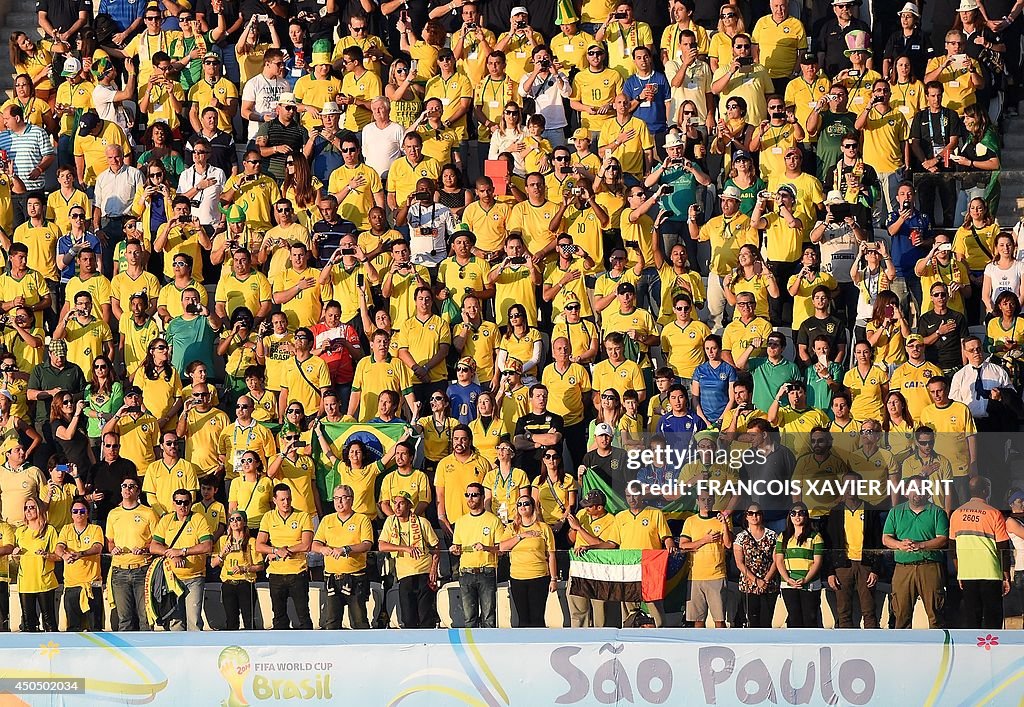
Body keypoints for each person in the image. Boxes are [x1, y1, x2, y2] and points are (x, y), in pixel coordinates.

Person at [883, 475, 950, 629]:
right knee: (901, 614)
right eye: (913, 488)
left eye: (921, 489)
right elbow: (886, 538)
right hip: (903, 567)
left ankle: (939, 650)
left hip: (930, 566)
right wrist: (899, 545)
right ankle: (902, 649)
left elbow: (943, 539)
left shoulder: (937, 512)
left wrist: (921, 545)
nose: (917, 492)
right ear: (906, 492)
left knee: (936, 614)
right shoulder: (896, 511)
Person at [949, 475, 1012, 629]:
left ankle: (974, 650)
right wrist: (1006, 574)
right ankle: (992, 650)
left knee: (972, 618)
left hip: (967, 573)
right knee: (993, 618)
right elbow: (1002, 547)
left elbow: (953, 549)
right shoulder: (994, 513)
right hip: (991, 572)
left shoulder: (956, 513)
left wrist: (959, 573)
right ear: (986, 491)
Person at [825, 471, 883, 629]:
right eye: (847, 485)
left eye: (855, 484)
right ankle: (846, 648)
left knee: (869, 611)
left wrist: (875, 569)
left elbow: (879, 543)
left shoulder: (871, 510)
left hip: (866, 566)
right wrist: (830, 572)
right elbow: (829, 545)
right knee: (843, 612)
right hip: (843, 566)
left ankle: (871, 648)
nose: (851, 488)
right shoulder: (835, 512)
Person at [312, 484, 374, 630]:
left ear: (351, 500)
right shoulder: (327, 520)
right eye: (336, 498)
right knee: (332, 622)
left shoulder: (361, 519)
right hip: (332, 577)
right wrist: (323, 549)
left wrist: (346, 549)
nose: (339, 502)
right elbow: (315, 545)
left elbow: (367, 544)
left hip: (355, 577)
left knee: (359, 621)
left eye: (343, 498)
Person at [150, 489, 213, 631]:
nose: (182, 506)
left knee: (194, 620)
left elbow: (207, 545)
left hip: (194, 578)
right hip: (172, 579)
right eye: (179, 502)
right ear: (173, 503)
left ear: (191, 503)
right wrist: (172, 554)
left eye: (186, 502)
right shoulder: (166, 520)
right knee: (175, 622)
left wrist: (183, 551)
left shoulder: (198, 519)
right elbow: (154, 546)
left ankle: (195, 652)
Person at [255, 483, 314, 629]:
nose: (286, 503)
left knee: (303, 615)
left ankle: (310, 648)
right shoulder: (268, 517)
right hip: (276, 573)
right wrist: (275, 551)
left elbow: (306, 544)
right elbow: (259, 545)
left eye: (288, 499)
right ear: (274, 500)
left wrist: (284, 551)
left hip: (297, 572)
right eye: (282, 500)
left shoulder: (302, 516)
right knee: (279, 617)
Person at [378, 491, 440, 629]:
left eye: (401, 503)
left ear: (409, 505)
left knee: (426, 617)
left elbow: (436, 546)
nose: (397, 507)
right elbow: (382, 546)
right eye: (395, 503)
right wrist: (405, 548)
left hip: (424, 572)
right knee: (408, 618)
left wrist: (434, 569)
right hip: (404, 575)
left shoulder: (422, 522)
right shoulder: (390, 521)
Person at [106, 475, 159, 631]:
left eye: (131, 486)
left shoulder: (148, 513)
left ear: (138, 491)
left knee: (145, 617)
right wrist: (112, 548)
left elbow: (157, 542)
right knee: (124, 619)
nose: (127, 489)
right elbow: (110, 542)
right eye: (124, 486)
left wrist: (144, 548)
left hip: (142, 569)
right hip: (119, 569)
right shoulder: (113, 514)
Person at [497, 493, 557, 628]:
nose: (523, 506)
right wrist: (521, 536)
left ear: (532, 507)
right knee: (522, 619)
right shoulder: (512, 528)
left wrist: (553, 579)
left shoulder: (543, 528)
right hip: (518, 577)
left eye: (526, 503)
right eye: (519, 504)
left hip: (539, 577)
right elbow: (502, 547)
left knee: (537, 618)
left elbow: (551, 555)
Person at [615, 490, 674, 626]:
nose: (632, 499)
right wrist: (590, 547)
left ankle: (660, 631)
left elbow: (666, 536)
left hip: (650, 566)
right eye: (628, 495)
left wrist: (669, 543)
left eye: (635, 495)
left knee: (654, 603)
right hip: (628, 567)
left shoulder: (655, 513)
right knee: (628, 603)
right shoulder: (620, 517)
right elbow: (612, 543)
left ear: (642, 495)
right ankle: (628, 632)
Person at [450, 482, 502, 628]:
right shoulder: (460, 521)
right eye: (468, 495)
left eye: (474, 495)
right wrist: (455, 549)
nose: (470, 498)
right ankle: (470, 649)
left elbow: (501, 549)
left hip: (487, 571)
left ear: (482, 496)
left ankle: (488, 649)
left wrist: (486, 547)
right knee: (469, 618)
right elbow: (458, 547)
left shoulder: (493, 520)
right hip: (466, 572)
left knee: (489, 618)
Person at [678, 491, 732, 627]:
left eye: (709, 499)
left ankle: (722, 646)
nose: (706, 502)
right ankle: (699, 647)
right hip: (695, 576)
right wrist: (704, 540)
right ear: (697, 501)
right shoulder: (690, 521)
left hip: (716, 575)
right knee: (698, 620)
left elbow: (729, 544)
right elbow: (683, 546)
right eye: (703, 499)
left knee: (719, 621)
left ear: (714, 501)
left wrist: (725, 524)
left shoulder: (721, 520)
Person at [56, 495, 104, 631]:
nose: (79, 514)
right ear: (71, 514)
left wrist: (80, 554)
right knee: (72, 629)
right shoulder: (66, 529)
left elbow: (97, 548)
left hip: (92, 585)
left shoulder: (95, 529)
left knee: (95, 628)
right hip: (72, 585)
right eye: (75, 511)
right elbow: (58, 547)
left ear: (87, 513)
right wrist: (64, 555)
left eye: (82, 511)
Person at [211, 510, 264, 631]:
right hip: (228, 583)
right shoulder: (223, 540)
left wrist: (244, 568)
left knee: (249, 620)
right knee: (231, 620)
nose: (234, 522)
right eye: (232, 519)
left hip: (245, 583)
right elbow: (213, 564)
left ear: (244, 522)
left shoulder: (251, 541)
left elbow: (260, 566)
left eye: (238, 519)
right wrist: (222, 553)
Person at [773, 502, 824, 628]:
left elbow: (817, 562)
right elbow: (779, 560)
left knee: (810, 619)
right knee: (794, 618)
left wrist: (806, 579)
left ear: (806, 516)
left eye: (801, 513)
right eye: (793, 513)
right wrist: (787, 579)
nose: (797, 516)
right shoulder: (783, 536)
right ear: (789, 516)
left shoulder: (816, 536)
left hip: (810, 584)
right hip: (789, 584)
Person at [13, 497, 58, 631]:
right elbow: (17, 560)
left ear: (39, 509)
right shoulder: (20, 531)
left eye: (31, 507)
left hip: (44, 580)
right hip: (25, 582)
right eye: (26, 508)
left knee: (49, 621)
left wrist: (47, 555)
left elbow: (58, 556)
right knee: (28, 624)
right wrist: (16, 555)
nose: (28, 511)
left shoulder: (49, 530)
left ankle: (54, 650)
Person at [733, 502, 780, 628]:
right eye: (751, 513)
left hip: (769, 584)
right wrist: (756, 580)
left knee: (767, 621)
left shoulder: (772, 535)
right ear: (746, 516)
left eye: (757, 513)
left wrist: (766, 580)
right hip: (749, 585)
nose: (754, 516)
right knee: (752, 621)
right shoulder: (741, 537)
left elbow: (777, 560)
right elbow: (739, 563)